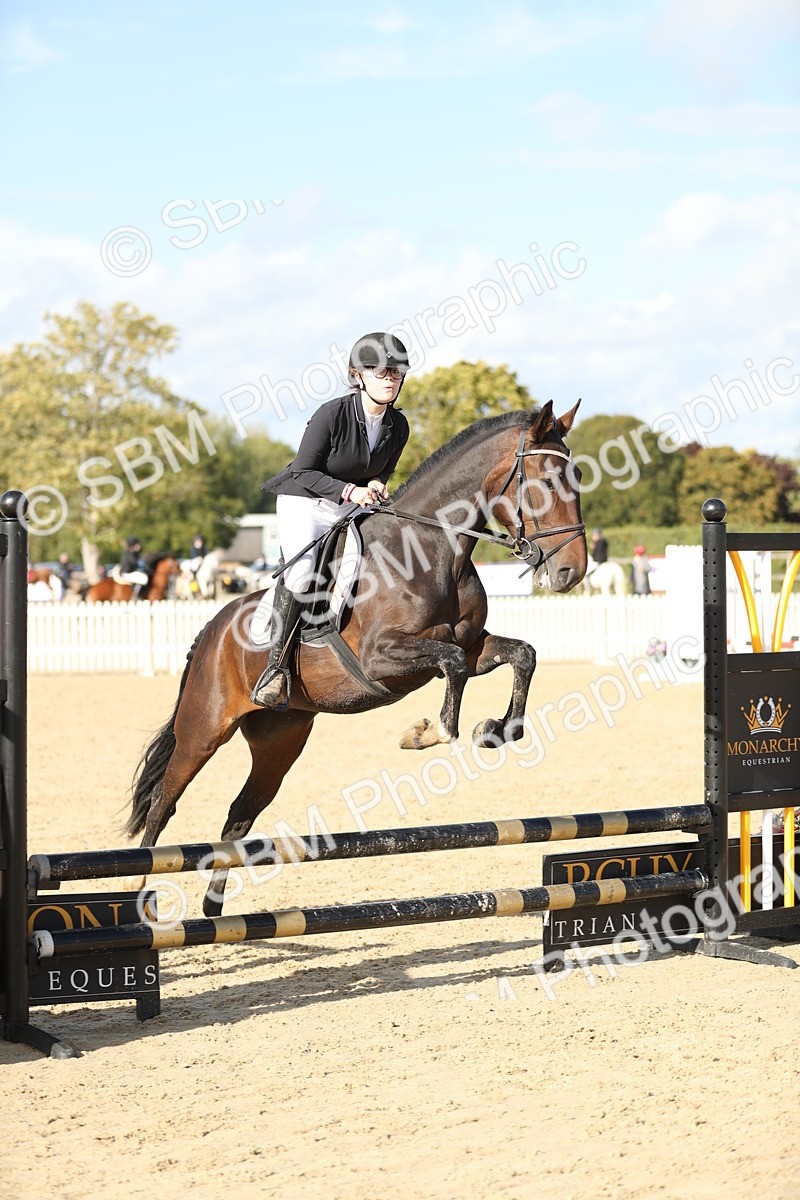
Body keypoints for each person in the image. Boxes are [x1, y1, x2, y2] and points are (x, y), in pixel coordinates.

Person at [250, 331, 411, 708]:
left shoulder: (398, 425)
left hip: (349, 506)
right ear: (358, 375)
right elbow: (303, 471)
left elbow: (381, 472)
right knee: (304, 574)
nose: (389, 378)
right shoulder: (332, 414)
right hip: (304, 502)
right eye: (380, 371)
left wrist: (374, 484)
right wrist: (352, 492)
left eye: (396, 372)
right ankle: (275, 668)